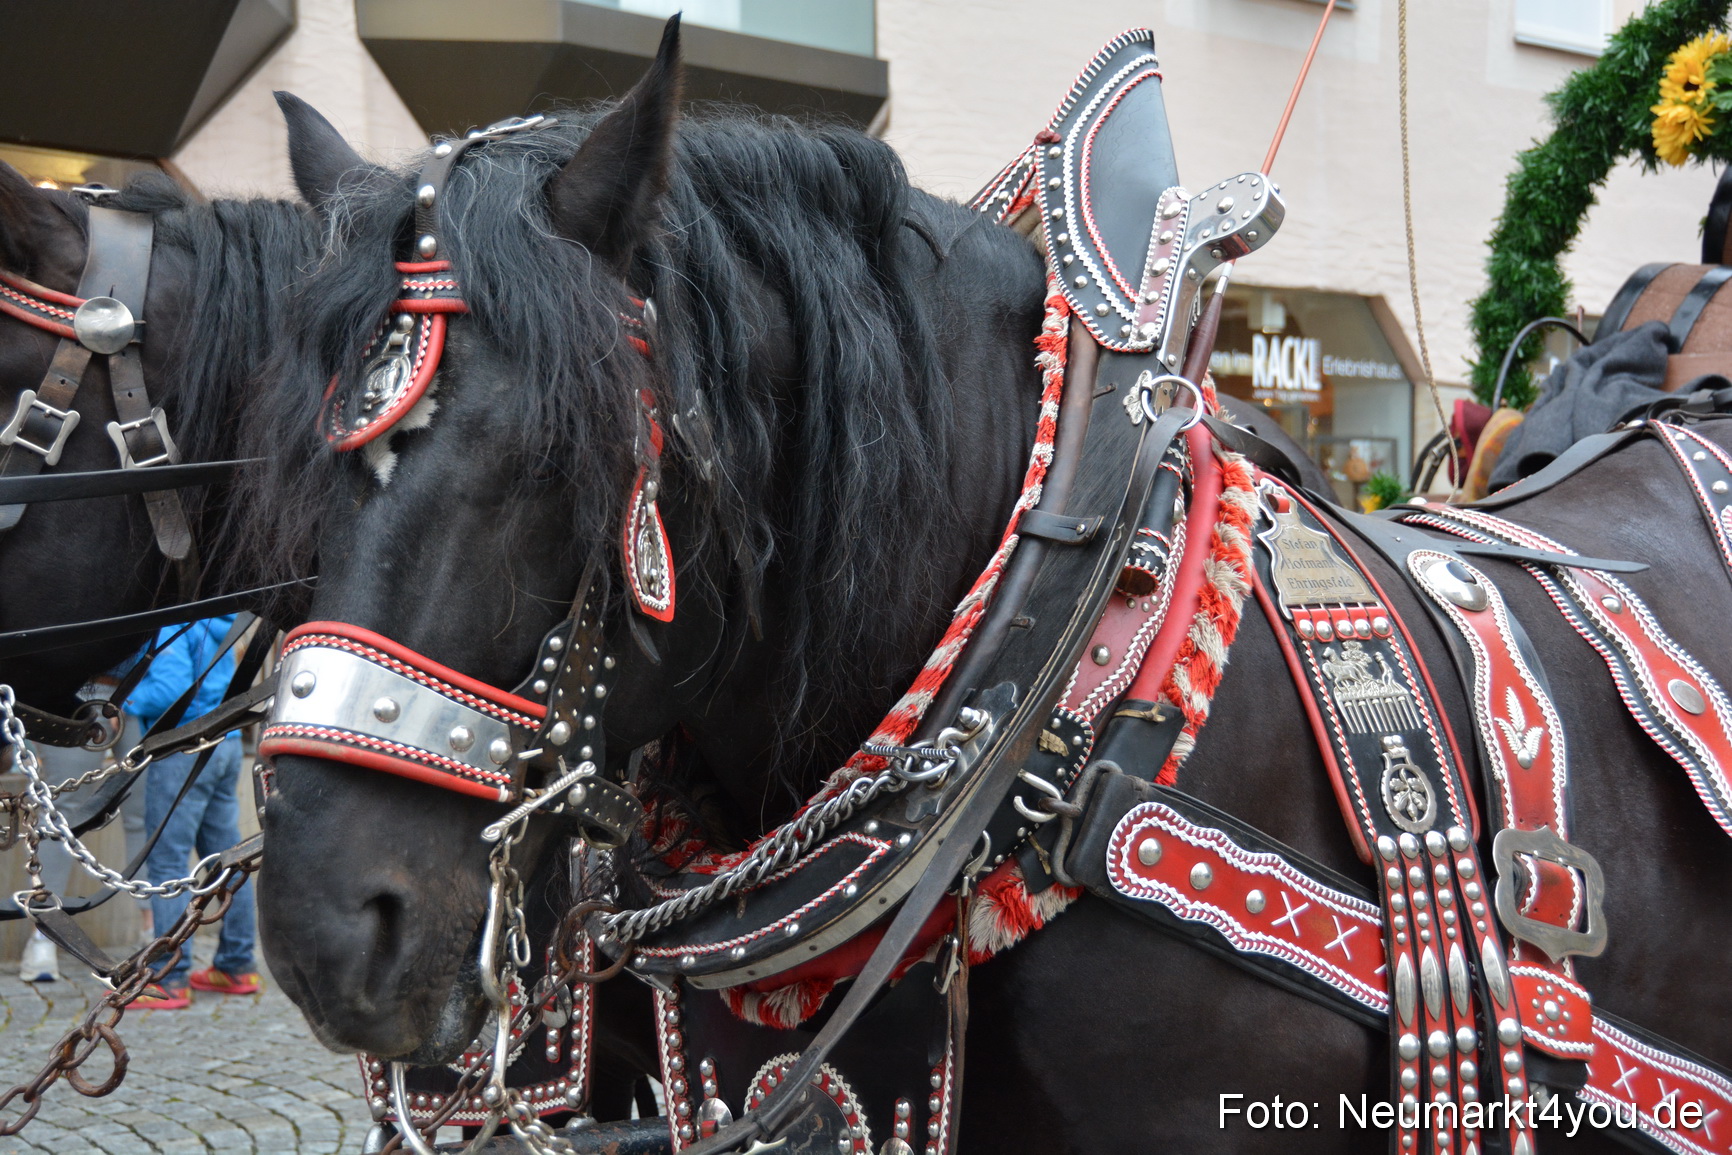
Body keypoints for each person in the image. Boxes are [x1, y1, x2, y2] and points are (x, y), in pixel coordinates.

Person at [125, 617, 259, 1009]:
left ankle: (168, 978)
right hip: (225, 745)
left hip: (182, 751)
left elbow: (170, 692)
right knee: (228, 863)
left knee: (168, 865)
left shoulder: (174, 626)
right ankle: (237, 966)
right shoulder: (220, 623)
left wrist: (127, 700)